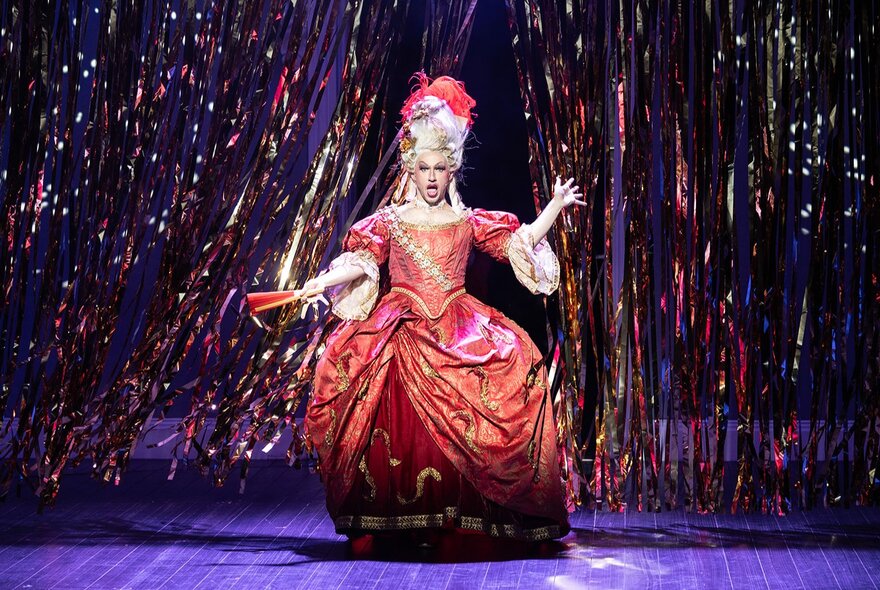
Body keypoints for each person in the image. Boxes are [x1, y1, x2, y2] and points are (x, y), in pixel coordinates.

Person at [297, 73, 584, 542]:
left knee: (518, 365)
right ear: (410, 169)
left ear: (452, 170)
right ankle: (401, 518)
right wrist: (320, 282)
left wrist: (553, 206)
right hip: (401, 327)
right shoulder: (389, 221)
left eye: (440, 169)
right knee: (384, 401)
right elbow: (361, 262)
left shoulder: (467, 221)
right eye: (424, 168)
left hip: (459, 326)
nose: (431, 178)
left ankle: (465, 513)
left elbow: (522, 240)